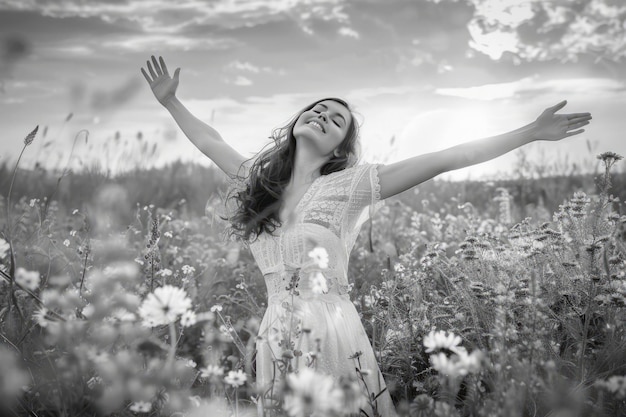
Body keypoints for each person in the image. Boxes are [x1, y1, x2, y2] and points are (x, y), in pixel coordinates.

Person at [141, 55, 592, 416]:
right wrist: (171, 103)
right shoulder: (261, 186)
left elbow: (447, 157)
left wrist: (529, 133)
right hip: (275, 330)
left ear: (340, 147)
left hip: (330, 328)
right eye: (316, 110)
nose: (321, 116)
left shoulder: (353, 184)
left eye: (335, 119)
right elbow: (210, 141)